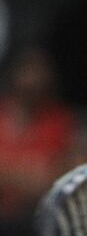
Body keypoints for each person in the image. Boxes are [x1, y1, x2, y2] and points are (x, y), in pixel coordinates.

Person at [0, 46, 77, 221]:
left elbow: (67, 180)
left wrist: (8, 172)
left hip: (36, 221)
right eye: (28, 70)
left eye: (40, 70)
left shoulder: (62, 121)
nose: (34, 79)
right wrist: (29, 173)